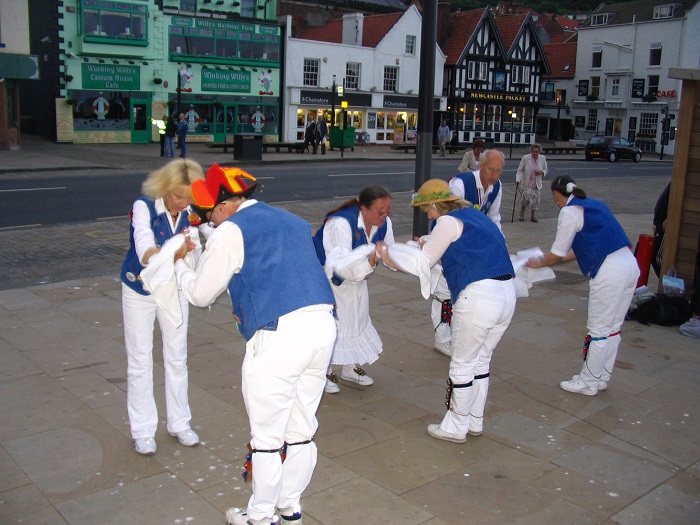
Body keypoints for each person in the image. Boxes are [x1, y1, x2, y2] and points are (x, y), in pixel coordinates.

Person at [174, 165, 337, 525]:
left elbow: (201, 294)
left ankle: (261, 516)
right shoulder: (292, 220)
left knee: (266, 437)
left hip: (280, 336)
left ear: (221, 207)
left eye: (211, 217)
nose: (213, 223)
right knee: (301, 427)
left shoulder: (230, 231)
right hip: (323, 326)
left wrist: (181, 266)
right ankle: (290, 505)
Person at [377, 179, 515, 442]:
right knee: (481, 361)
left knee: (462, 364)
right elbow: (462, 249)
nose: (428, 215)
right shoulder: (475, 215)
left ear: (435, 204)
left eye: (427, 210)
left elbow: (423, 263)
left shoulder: (447, 221)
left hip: (479, 297)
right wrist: (428, 244)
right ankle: (474, 421)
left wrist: (389, 258)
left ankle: (455, 427)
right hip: (506, 294)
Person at [526, 175, 639, 395]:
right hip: (629, 265)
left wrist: (537, 262)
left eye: (555, 199)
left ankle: (588, 382)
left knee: (597, 330)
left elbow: (558, 253)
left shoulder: (569, 211)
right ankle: (601, 377)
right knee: (613, 328)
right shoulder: (595, 204)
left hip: (609, 271)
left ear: (558, 194)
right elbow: (576, 251)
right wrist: (546, 259)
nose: (556, 203)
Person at [120, 158, 204, 455]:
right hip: (139, 289)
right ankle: (143, 429)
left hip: (174, 289)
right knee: (140, 360)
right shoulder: (143, 206)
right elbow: (145, 250)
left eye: (189, 197)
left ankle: (179, 422)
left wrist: (192, 251)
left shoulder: (190, 212)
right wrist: (177, 250)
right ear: (164, 190)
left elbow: (200, 249)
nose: (183, 203)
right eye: (178, 196)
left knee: (177, 357)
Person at [312, 186, 394, 394]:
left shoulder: (383, 224)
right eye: (379, 211)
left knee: (357, 318)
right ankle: (323, 371)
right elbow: (339, 265)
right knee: (334, 322)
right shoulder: (340, 223)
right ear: (363, 208)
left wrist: (414, 255)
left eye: (387, 210)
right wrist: (371, 260)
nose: (384, 215)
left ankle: (349, 367)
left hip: (357, 275)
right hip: (327, 275)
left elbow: (390, 254)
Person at [427, 149, 505, 357]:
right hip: (448, 239)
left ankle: (456, 334)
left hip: (471, 244)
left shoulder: (497, 187)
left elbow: (494, 218)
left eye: (499, 171)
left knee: (463, 289)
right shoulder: (460, 184)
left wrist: (498, 243)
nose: (494, 175)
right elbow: (448, 217)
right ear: (480, 165)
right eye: (490, 169)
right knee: (443, 290)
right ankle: (441, 338)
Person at [515, 143, 548, 222]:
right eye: (533, 151)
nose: (535, 153)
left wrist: (542, 172)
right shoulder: (525, 158)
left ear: (539, 151)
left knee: (535, 201)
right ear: (531, 151)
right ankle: (521, 214)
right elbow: (520, 170)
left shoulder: (542, 158)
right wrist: (517, 180)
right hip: (527, 183)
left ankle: (533, 216)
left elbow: (546, 169)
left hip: (537, 183)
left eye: (537, 152)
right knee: (525, 199)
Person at [652, 182, 670, 277]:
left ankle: (665, 285)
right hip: (661, 225)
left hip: (662, 225)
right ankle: (665, 284)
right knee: (656, 257)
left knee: (657, 258)